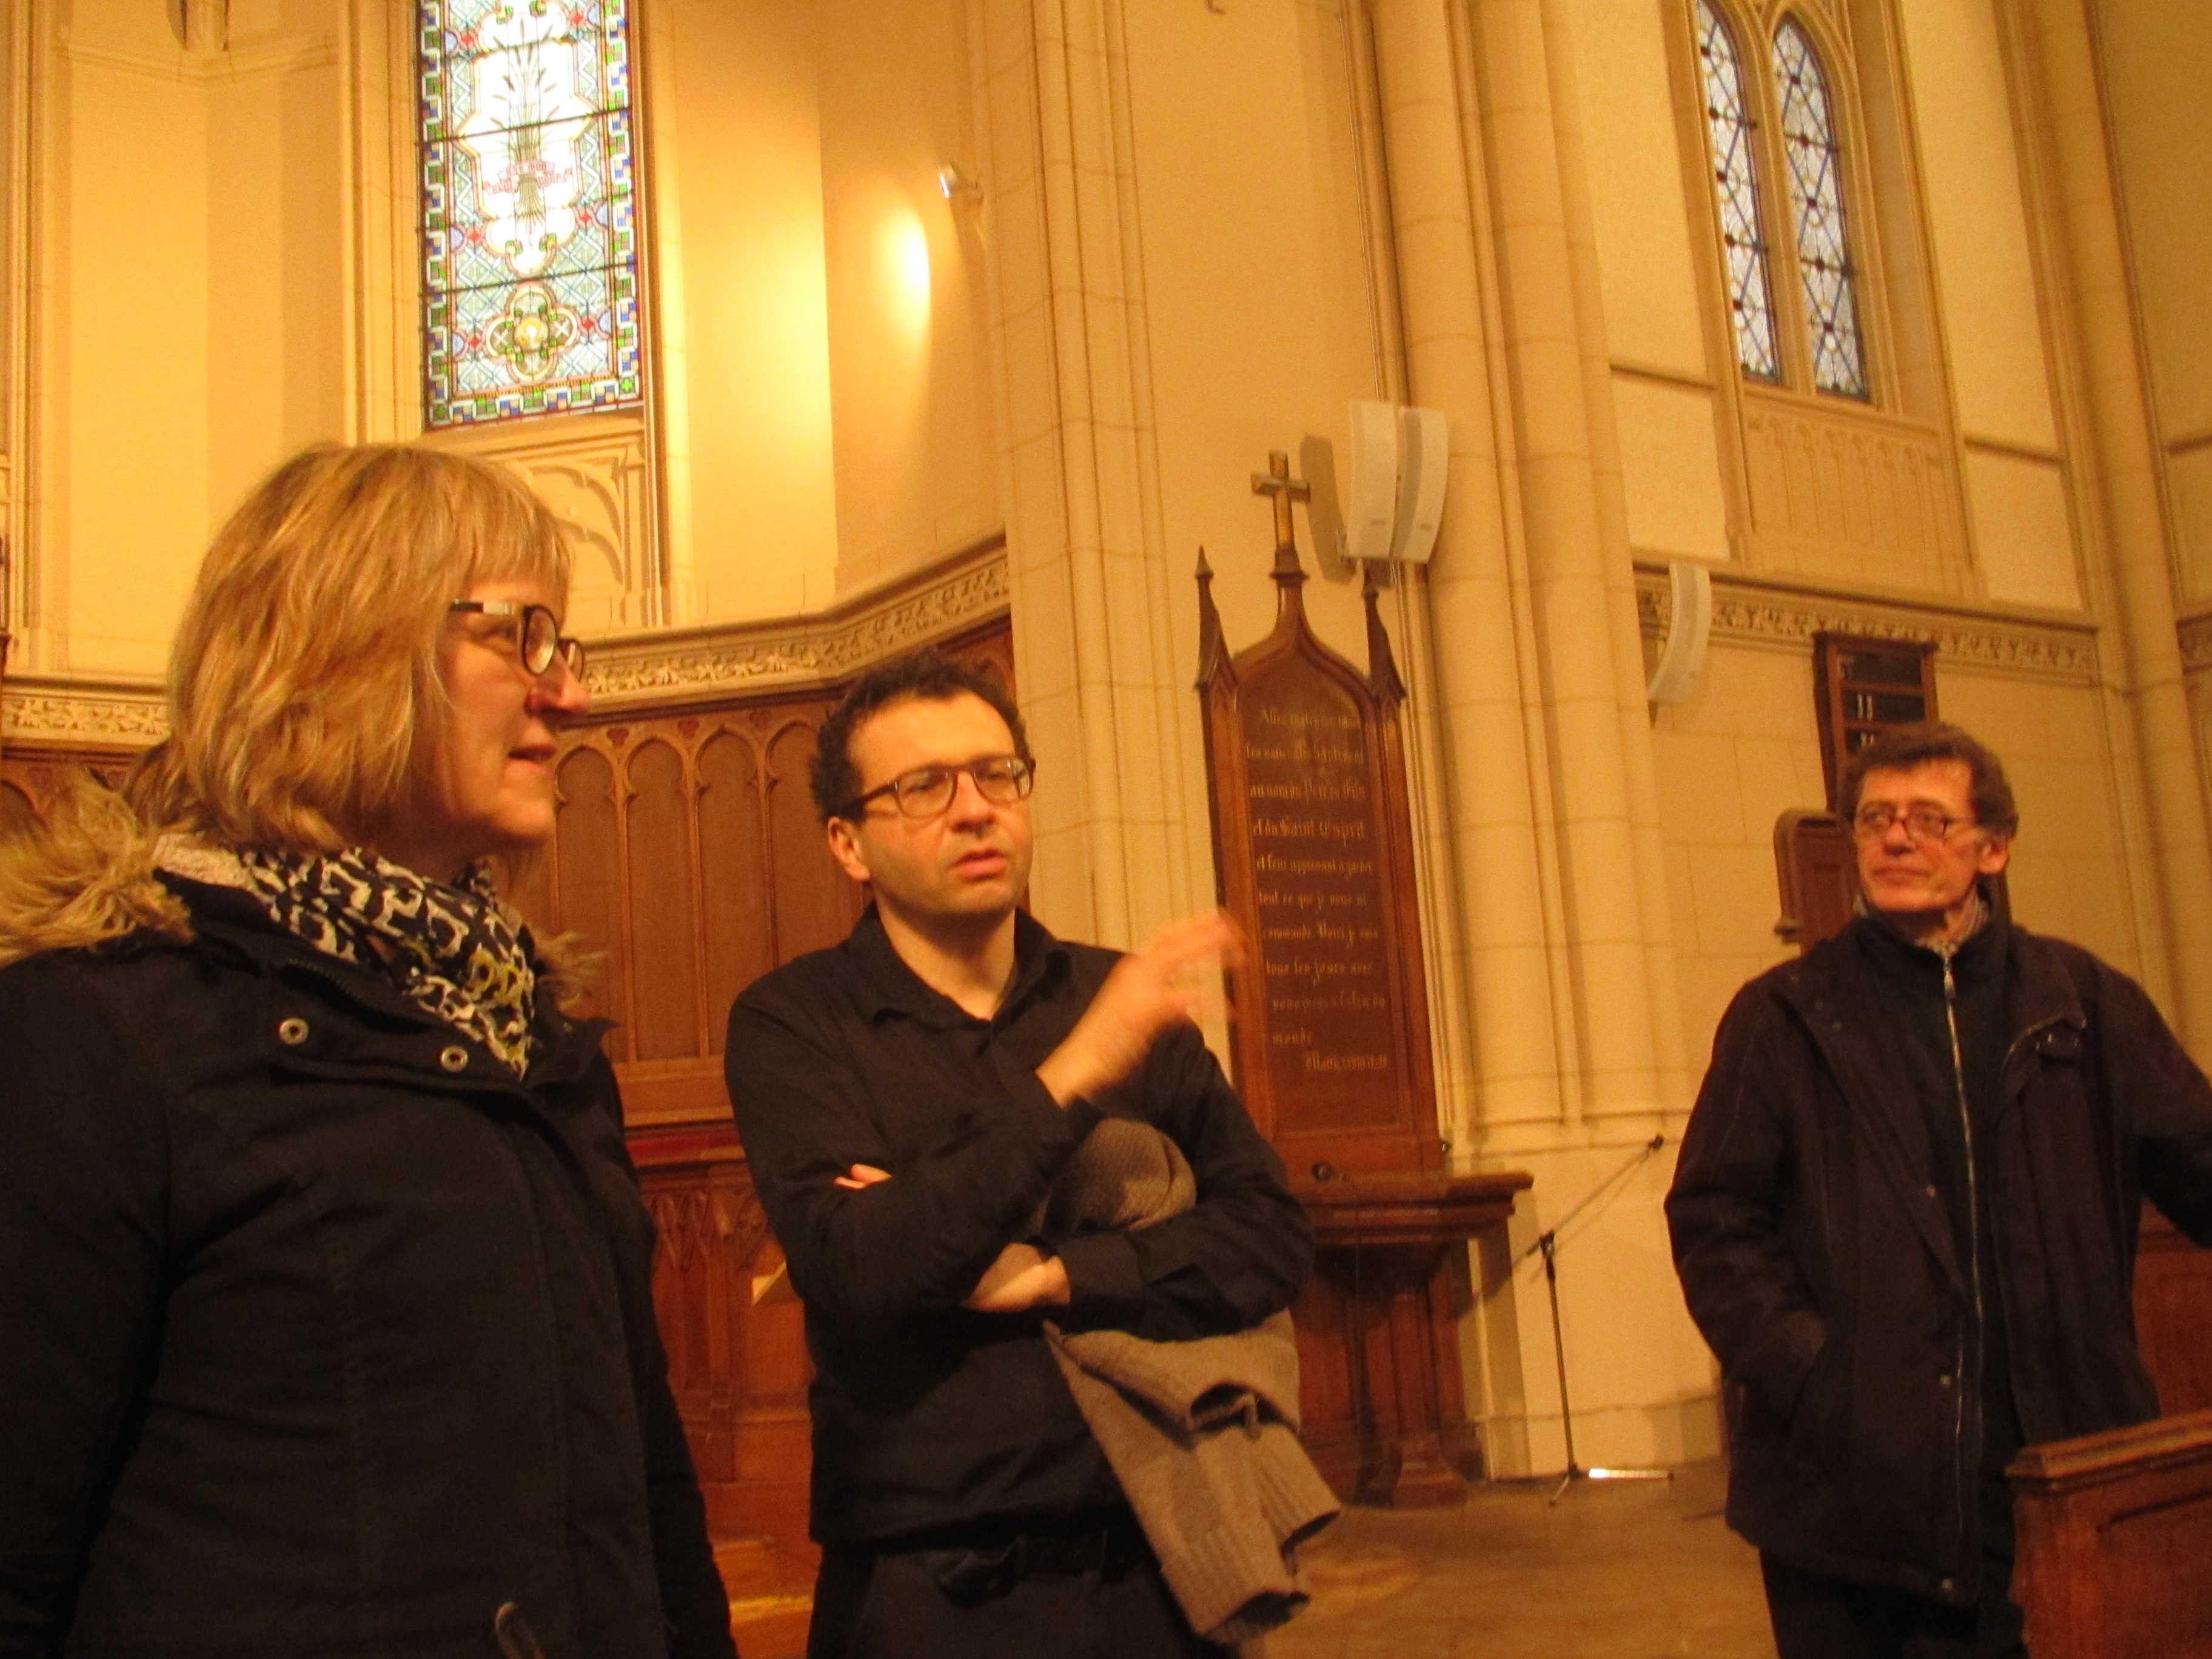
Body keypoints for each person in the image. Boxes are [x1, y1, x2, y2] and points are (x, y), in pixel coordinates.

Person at [0, 445, 737, 1659]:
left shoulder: (538, 1042)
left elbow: (650, 1505)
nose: (570, 696)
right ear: (341, 648)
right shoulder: (97, 1035)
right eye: (525, 637)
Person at [723, 649, 1313, 1659]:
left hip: (1165, 1572)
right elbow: (862, 1267)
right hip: (933, 1592)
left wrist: (1053, 1275)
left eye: (998, 775)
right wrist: (1070, 1077)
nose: (976, 810)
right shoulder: (796, 1022)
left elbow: (1269, 1239)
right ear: (848, 843)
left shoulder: (1118, 994)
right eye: (924, 787)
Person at [1667, 720, 2212, 1659]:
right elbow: (1716, 1220)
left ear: (1993, 849)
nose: (1895, 838)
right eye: (1875, 818)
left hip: (2054, 1474)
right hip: (1850, 1494)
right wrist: (1815, 1375)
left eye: (1928, 819)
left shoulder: (2083, 1001)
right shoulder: (1785, 1015)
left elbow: (2200, 1161)